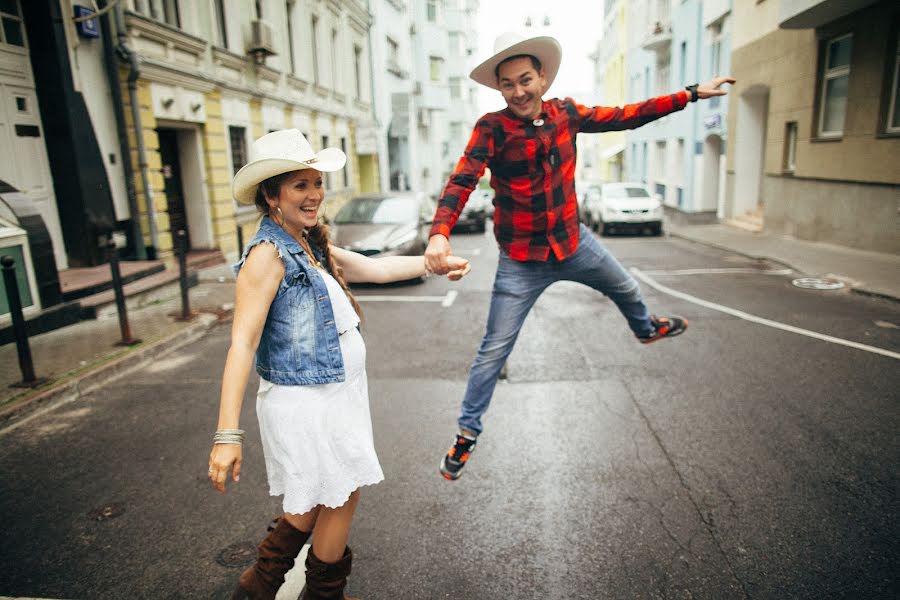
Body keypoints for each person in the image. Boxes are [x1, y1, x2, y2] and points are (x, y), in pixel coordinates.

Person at [425, 32, 735, 481]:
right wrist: (440, 234)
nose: (518, 91)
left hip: (574, 242)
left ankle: (646, 330)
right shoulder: (491, 129)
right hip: (521, 258)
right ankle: (466, 434)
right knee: (493, 350)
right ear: (499, 90)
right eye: (508, 84)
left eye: (525, 79)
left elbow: (626, 116)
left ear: (543, 77)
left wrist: (687, 95)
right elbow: (462, 181)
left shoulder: (566, 113)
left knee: (627, 287)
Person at [208, 129, 469, 600]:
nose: (314, 194)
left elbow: (379, 268)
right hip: (305, 403)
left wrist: (436, 264)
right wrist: (227, 435)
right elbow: (241, 344)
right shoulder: (267, 256)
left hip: (335, 395)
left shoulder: (309, 242)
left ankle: (262, 585)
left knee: (326, 498)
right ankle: (302, 591)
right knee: (334, 495)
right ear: (272, 195)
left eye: (316, 182)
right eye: (300, 185)